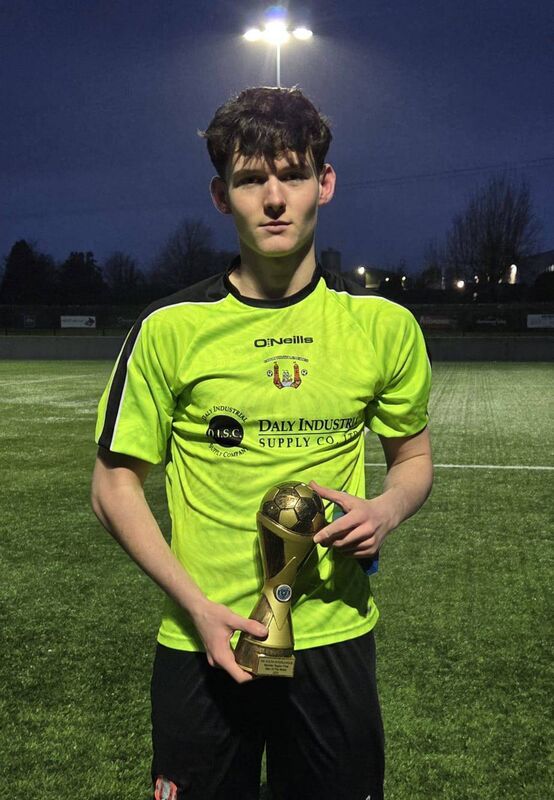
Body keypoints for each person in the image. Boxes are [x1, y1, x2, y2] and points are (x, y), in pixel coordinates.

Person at [91, 86, 433, 800]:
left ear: (324, 183)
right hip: (202, 640)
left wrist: (388, 510)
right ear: (222, 196)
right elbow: (113, 487)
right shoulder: (169, 330)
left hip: (333, 638)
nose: (273, 198)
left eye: (293, 175)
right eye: (251, 180)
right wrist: (196, 606)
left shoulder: (384, 328)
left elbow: (413, 462)